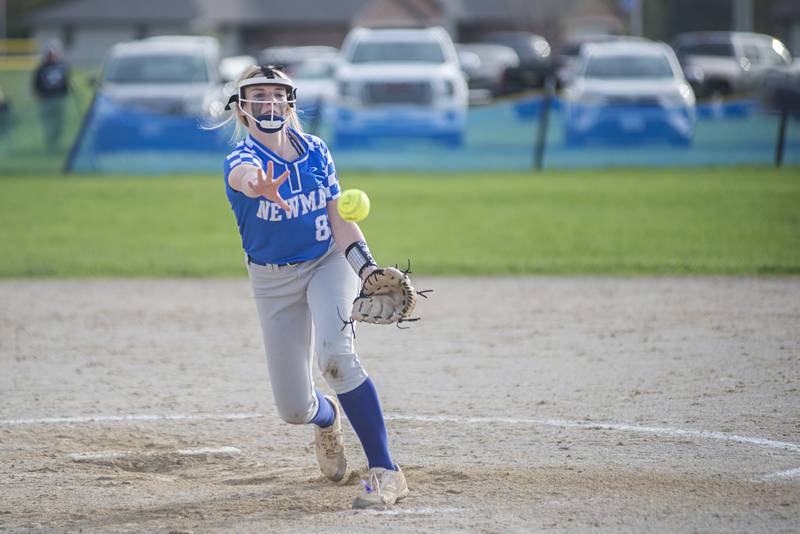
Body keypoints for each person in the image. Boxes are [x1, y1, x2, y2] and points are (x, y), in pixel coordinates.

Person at [219, 65, 410, 509]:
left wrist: (367, 272)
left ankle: (385, 472)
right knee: (292, 409)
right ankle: (326, 418)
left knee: (336, 357)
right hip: (271, 278)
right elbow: (241, 177)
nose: (268, 103)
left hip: (326, 263)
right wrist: (258, 185)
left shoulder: (316, 152)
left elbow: (339, 220)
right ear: (242, 109)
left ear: (290, 103)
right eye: (258, 95)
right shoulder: (241, 160)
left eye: (277, 95)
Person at [31, 41, 70, 149]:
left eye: (54, 54)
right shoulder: (41, 68)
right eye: (50, 55)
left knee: (59, 123)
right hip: (46, 100)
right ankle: (50, 143)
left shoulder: (62, 66)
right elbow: (36, 84)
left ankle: (56, 142)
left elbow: (66, 82)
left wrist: (66, 93)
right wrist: (39, 96)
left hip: (59, 100)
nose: (52, 57)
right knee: (48, 123)